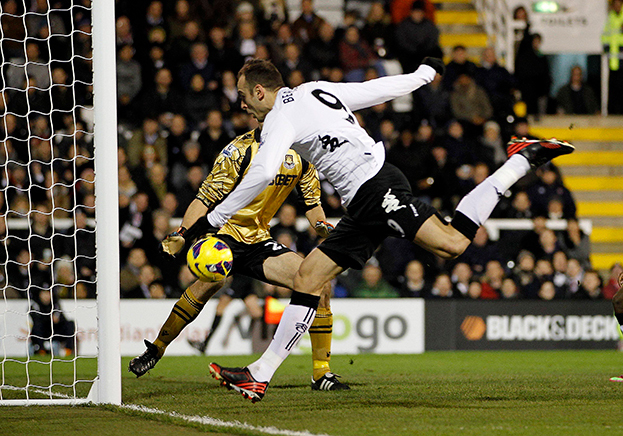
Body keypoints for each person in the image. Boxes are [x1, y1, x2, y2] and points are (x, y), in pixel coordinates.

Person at [205, 58, 574, 402]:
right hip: (364, 202)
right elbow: (375, 89)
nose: (241, 106)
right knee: (307, 277)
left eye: (242, 97)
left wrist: (216, 217)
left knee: (453, 244)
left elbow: (265, 171)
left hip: (376, 190)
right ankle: (260, 374)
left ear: (258, 91)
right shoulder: (314, 89)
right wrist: (422, 76)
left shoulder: (279, 118)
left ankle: (520, 161)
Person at [128, 128, 349, 392]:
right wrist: (182, 233)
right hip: (225, 237)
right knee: (207, 285)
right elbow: (204, 198)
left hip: (259, 241)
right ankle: (156, 349)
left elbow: (313, 204)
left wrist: (322, 225)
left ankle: (321, 373)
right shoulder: (238, 151)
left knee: (319, 283)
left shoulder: (301, 155)